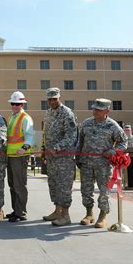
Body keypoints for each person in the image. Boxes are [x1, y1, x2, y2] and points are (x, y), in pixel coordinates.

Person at [76, 98, 127, 228]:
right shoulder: (86, 123)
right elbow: (80, 142)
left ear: (107, 111)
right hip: (86, 163)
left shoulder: (113, 126)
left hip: (103, 165)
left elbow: (123, 143)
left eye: (99, 109)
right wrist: (78, 157)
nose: (95, 111)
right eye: (94, 108)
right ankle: (89, 214)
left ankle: (103, 216)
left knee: (104, 191)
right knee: (86, 190)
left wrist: (112, 151)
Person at [42, 88, 78, 226]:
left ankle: (66, 215)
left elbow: (71, 136)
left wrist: (56, 147)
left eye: (54, 99)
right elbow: (46, 133)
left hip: (63, 158)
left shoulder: (67, 113)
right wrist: (45, 148)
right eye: (49, 99)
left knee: (64, 185)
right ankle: (57, 211)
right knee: (54, 184)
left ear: (59, 98)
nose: (52, 102)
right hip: (51, 157)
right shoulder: (49, 112)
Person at [5, 91, 35, 222]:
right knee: (12, 184)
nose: (15, 106)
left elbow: (30, 137)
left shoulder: (25, 118)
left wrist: (24, 148)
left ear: (22, 104)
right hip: (11, 155)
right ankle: (15, 210)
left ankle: (21, 212)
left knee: (19, 185)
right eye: (13, 103)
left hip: (20, 156)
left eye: (18, 104)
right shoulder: (12, 117)